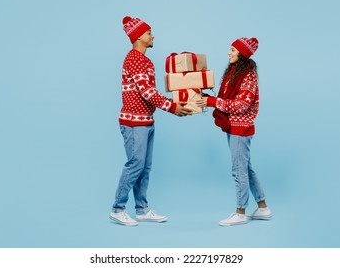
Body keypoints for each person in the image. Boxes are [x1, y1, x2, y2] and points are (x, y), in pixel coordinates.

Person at [109, 16, 192, 226]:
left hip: (147, 121)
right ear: (138, 37)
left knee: (144, 167)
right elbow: (147, 92)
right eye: (148, 33)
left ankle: (142, 209)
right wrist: (173, 107)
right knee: (135, 165)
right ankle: (118, 209)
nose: (152, 35)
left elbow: (150, 92)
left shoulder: (145, 60)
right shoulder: (134, 59)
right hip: (133, 122)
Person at [196, 37, 272, 226]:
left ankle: (240, 212)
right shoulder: (234, 73)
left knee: (239, 170)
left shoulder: (248, 76)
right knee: (245, 168)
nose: (229, 53)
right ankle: (263, 207)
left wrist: (212, 102)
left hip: (241, 128)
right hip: (234, 126)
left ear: (242, 53)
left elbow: (241, 105)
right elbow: (227, 99)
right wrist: (206, 97)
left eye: (232, 50)